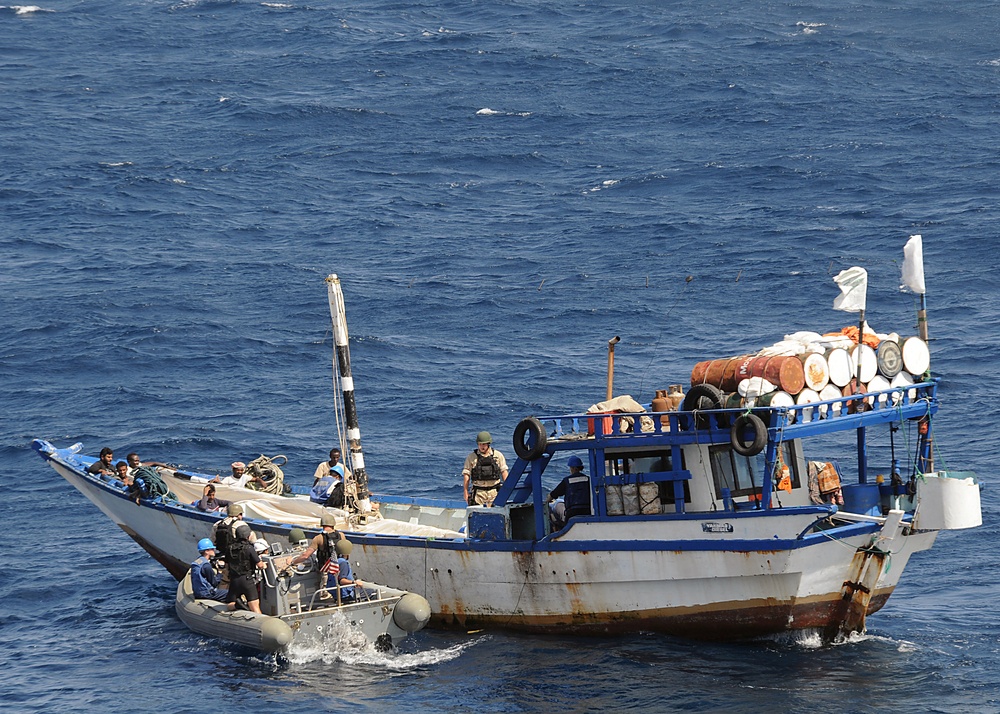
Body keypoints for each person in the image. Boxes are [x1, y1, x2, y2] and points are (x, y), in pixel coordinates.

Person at [288, 514, 341, 596]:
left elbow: (306, 555)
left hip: (326, 571)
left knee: (325, 595)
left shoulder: (318, 538)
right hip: (340, 569)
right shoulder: (341, 535)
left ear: (322, 524)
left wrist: (293, 562)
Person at [224, 525, 266, 613]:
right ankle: (259, 624)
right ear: (248, 536)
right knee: (255, 607)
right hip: (247, 580)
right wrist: (265, 564)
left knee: (229, 604)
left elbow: (227, 565)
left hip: (234, 580)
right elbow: (260, 565)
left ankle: (237, 605)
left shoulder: (229, 548)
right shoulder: (249, 548)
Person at [462, 431, 509, 507]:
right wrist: (465, 492)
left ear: (488, 444)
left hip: (494, 492)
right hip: (479, 494)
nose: (481, 446)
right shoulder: (471, 457)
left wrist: (507, 490)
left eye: (483, 444)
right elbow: (466, 475)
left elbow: (504, 472)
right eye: (480, 444)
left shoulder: (498, 455)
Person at [548, 455, 592, 530]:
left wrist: (547, 500)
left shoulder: (567, 481)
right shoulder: (588, 479)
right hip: (587, 510)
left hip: (572, 512)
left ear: (572, 468)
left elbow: (554, 494)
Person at [333, 538, 363, 603]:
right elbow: (342, 580)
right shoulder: (343, 563)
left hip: (338, 594)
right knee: (373, 592)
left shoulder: (335, 561)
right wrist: (354, 582)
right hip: (347, 594)